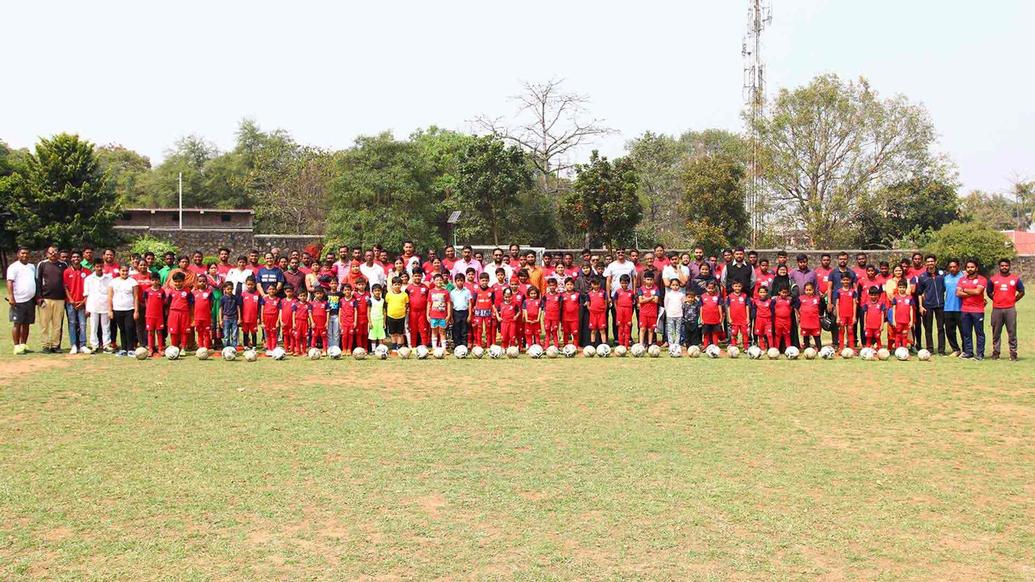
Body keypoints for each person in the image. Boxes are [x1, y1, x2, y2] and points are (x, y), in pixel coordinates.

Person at [988, 258, 1024, 361]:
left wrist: (1013, 300)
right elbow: (989, 292)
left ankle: (1013, 353)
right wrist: (996, 299)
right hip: (997, 309)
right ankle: (996, 353)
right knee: (996, 332)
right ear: (999, 266)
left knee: (1012, 332)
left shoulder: (1015, 279)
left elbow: (1021, 291)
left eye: (1006, 265)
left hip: (1010, 309)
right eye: (1002, 265)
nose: (1004, 267)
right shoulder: (993, 279)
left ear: (1009, 266)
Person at [6, 247, 37, 355]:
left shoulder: (32, 267)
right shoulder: (13, 267)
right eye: (23, 253)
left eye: (27, 253)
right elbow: (10, 282)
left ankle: (23, 344)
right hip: (18, 300)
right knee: (17, 323)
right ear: (18, 255)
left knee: (27, 323)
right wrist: (11, 297)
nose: (25, 255)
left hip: (30, 300)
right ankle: (16, 346)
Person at [36, 246, 67, 353]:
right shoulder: (42, 264)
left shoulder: (63, 265)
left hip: (60, 299)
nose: (53, 254)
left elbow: (66, 282)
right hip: (45, 298)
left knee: (57, 324)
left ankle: (55, 345)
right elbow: (38, 281)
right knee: (44, 324)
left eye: (55, 252)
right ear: (47, 253)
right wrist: (39, 297)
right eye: (51, 252)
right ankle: (45, 345)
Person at [956, 259, 987, 360]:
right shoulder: (962, 280)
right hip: (965, 310)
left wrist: (964, 290)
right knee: (966, 332)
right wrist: (971, 291)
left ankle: (980, 354)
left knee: (979, 333)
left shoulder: (982, 279)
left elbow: (978, 292)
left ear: (976, 268)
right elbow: (958, 293)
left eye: (972, 267)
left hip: (978, 310)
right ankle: (968, 352)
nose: (970, 269)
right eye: (968, 267)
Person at [916, 255, 947, 355]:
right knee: (928, 328)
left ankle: (941, 350)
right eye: (928, 262)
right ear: (925, 263)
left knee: (941, 328)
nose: (930, 263)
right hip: (927, 305)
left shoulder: (942, 274)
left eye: (932, 261)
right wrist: (921, 306)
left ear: (935, 262)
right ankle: (930, 349)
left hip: (940, 305)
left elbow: (946, 288)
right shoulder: (922, 277)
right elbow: (919, 293)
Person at [108, 264, 139, 356]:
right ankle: (124, 349)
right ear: (119, 271)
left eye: (126, 271)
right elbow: (110, 297)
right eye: (123, 271)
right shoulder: (113, 282)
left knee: (129, 328)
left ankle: (131, 348)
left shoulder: (133, 282)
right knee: (122, 329)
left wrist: (136, 311)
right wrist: (110, 310)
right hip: (117, 309)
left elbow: (136, 297)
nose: (125, 273)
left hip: (129, 309)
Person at [63, 250, 88, 354]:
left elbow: (90, 289)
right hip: (71, 303)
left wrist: (83, 301)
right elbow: (65, 287)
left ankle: (82, 345)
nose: (75, 259)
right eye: (73, 257)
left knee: (83, 324)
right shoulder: (67, 272)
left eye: (78, 257)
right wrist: (71, 300)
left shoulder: (87, 272)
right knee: (72, 323)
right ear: (71, 259)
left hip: (83, 302)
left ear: (81, 259)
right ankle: (73, 345)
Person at [165, 272, 193, 353]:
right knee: (174, 331)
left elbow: (191, 303)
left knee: (184, 331)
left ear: (183, 281)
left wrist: (191, 315)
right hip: (173, 313)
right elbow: (168, 303)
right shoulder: (171, 292)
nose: (178, 283)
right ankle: (174, 347)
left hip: (184, 313)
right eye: (176, 281)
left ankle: (183, 348)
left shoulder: (187, 291)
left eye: (180, 281)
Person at [942, 259, 964, 356]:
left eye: (954, 267)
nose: (952, 269)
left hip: (961, 308)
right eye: (950, 267)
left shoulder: (963, 277)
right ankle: (955, 349)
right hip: (948, 308)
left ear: (958, 267)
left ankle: (965, 350)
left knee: (963, 331)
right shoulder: (945, 278)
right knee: (950, 331)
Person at [889, 279, 915, 350]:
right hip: (898, 321)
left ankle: (904, 349)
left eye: (903, 287)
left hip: (906, 321)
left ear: (906, 288)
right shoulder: (896, 298)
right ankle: (898, 350)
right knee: (898, 335)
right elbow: (893, 309)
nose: (902, 289)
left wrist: (911, 320)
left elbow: (911, 309)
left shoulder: (910, 298)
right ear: (898, 288)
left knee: (904, 336)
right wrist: (894, 320)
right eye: (900, 287)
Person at [427, 274, 451, 350]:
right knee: (434, 332)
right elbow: (429, 303)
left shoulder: (446, 292)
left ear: (443, 281)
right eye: (437, 280)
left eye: (440, 280)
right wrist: (427, 315)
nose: (439, 281)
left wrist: (449, 315)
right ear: (433, 281)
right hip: (433, 315)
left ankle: (444, 349)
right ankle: (434, 348)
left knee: (442, 332)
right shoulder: (431, 291)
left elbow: (448, 303)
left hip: (443, 316)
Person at [406, 271, 430, 348]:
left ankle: (424, 346)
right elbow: (406, 301)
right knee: (413, 330)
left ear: (421, 277)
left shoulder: (425, 288)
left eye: (419, 276)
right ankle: (413, 346)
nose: (417, 277)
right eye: (415, 276)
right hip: (412, 313)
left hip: (423, 312)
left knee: (423, 329)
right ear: (412, 276)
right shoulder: (409, 288)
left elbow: (429, 300)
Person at [384, 277, 409, 351]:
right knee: (392, 333)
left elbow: (407, 304)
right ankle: (394, 347)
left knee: (400, 333)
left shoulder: (404, 295)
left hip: (401, 316)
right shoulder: (389, 294)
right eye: (395, 284)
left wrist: (404, 311)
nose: (397, 286)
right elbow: (386, 304)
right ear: (392, 285)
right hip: (391, 316)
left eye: (399, 284)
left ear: (401, 285)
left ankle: (399, 346)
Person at [834, 275, 857, 349]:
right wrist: (838, 316)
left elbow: (854, 304)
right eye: (844, 280)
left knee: (850, 331)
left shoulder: (853, 291)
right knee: (841, 331)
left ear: (850, 281)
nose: (845, 281)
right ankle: (841, 348)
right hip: (842, 315)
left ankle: (852, 348)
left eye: (847, 280)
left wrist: (854, 316)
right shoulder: (839, 291)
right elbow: (837, 304)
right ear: (841, 281)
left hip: (850, 315)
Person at [797, 281, 823, 350]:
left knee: (817, 337)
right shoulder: (801, 298)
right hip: (805, 322)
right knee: (806, 337)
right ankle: (807, 350)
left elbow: (821, 308)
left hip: (815, 322)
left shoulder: (817, 298)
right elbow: (796, 308)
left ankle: (820, 350)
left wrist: (820, 315)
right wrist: (798, 315)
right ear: (804, 290)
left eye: (810, 290)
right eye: (807, 290)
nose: (808, 291)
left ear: (813, 290)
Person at [613, 274, 636, 348]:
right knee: (620, 328)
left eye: (626, 283)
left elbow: (633, 302)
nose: (624, 284)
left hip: (628, 311)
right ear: (620, 283)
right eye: (622, 283)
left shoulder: (631, 292)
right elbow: (615, 301)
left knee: (627, 328)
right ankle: (620, 345)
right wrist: (617, 309)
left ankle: (626, 346)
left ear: (628, 283)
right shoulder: (617, 292)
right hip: (620, 310)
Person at [637, 273, 660, 347]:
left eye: (651, 280)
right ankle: (641, 344)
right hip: (643, 313)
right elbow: (640, 301)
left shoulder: (656, 289)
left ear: (653, 280)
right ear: (644, 280)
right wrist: (651, 298)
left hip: (652, 313)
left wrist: (645, 298)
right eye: (648, 279)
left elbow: (656, 301)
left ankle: (650, 344)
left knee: (651, 330)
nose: (649, 281)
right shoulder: (641, 289)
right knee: (642, 329)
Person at [448, 274, 471, 348]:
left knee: (464, 329)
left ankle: (464, 345)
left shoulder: (467, 291)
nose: (460, 282)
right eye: (458, 281)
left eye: (461, 280)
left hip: (464, 312)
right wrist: (451, 316)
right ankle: (457, 345)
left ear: (464, 281)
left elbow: (470, 303)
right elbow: (451, 304)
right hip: (456, 312)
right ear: (455, 282)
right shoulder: (452, 292)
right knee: (456, 329)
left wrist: (470, 315)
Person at [585, 277, 609, 346]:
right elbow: (588, 305)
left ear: (600, 284)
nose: (596, 286)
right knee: (593, 330)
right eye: (594, 284)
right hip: (593, 314)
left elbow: (605, 303)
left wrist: (603, 310)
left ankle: (604, 345)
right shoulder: (589, 294)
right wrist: (592, 310)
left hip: (601, 314)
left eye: (597, 284)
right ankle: (593, 345)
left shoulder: (603, 293)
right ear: (591, 284)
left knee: (602, 330)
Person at [663, 278, 685, 348]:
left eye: (677, 285)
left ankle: (677, 343)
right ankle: (671, 344)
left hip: (679, 315)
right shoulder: (668, 294)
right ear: (670, 286)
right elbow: (666, 304)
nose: (675, 287)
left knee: (678, 330)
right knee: (670, 330)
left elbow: (683, 304)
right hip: (670, 315)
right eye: (673, 285)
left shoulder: (681, 295)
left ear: (679, 286)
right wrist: (667, 313)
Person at [239, 277, 260, 350]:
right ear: (246, 284)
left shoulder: (257, 294)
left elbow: (259, 307)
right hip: (245, 318)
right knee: (245, 332)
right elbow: (240, 306)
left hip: (254, 318)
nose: (250, 286)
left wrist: (258, 317)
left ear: (254, 284)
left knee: (254, 332)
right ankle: (245, 346)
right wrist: (240, 317)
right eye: (248, 284)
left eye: (252, 284)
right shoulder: (243, 294)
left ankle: (254, 346)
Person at [772, 286, 795, 353]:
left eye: (786, 293)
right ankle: (776, 350)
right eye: (782, 292)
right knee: (778, 335)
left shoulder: (790, 300)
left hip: (787, 320)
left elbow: (792, 308)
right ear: (779, 292)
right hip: (778, 320)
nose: (784, 294)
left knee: (787, 335)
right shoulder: (775, 299)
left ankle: (789, 350)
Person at [751, 286, 774, 350]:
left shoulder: (770, 301)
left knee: (769, 334)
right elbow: (754, 310)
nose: (762, 294)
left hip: (768, 320)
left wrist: (772, 319)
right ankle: (762, 348)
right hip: (759, 320)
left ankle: (771, 348)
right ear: (758, 293)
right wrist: (753, 317)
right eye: (761, 292)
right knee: (760, 335)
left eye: (764, 292)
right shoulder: (756, 301)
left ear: (767, 293)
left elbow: (772, 310)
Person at [562, 278, 582, 347]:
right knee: (566, 333)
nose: (569, 286)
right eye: (567, 284)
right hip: (565, 318)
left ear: (574, 286)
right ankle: (565, 347)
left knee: (575, 333)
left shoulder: (577, 295)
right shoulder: (562, 295)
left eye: (571, 284)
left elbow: (580, 305)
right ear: (565, 286)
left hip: (574, 318)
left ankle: (575, 347)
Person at [219, 282, 239, 350]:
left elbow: (238, 308)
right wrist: (220, 320)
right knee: (226, 335)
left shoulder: (235, 297)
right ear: (224, 289)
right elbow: (220, 309)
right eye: (228, 289)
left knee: (234, 335)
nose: (230, 290)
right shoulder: (222, 298)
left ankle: (234, 349)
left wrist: (239, 318)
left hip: (234, 318)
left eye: (231, 289)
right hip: (226, 319)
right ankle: (226, 349)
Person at [367, 283, 387, 349]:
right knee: (373, 336)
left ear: (381, 291)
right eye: (375, 291)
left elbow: (384, 312)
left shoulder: (383, 300)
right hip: (373, 320)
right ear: (372, 292)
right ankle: (373, 350)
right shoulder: (370, 300)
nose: (377, 292)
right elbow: (368, 312)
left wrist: (384, 322)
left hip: (380, 320)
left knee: (381, 336)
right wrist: (370, 322)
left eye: (378, 290)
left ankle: (380, 349)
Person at [292, 289, 312, 354]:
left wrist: (310, 322)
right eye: (301, 296)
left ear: (306, 296)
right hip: (298, 322)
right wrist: (294, 323)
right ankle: (297, 351)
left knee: (304, 337)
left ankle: (303, 351)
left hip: (305, 322)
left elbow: (309, 314)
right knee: (297, 337)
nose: (303, 297)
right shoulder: (296, 305)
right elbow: (293, 314)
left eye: (304, 296)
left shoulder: (308, 305)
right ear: (298, 297)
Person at [310, 287, 330, 351]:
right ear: (314, 294)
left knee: (324, 337)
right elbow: (309, 314)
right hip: (315, 323)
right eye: (317, 293)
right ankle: (312, 350)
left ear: (323, 294)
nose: (319, 295)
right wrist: (312, 322)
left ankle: (324, 350)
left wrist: (327, 322)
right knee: (314, 336)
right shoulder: (311, 303)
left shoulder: (326, 303)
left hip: (323, 323)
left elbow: (328, 313)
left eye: (320, 293)